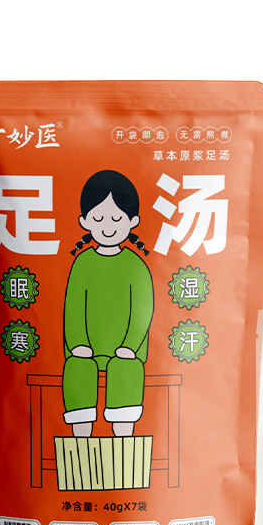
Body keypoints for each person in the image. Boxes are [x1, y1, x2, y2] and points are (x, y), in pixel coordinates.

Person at [62, 170, 154, 437]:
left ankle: (124, 443)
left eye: (116, 218)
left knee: (126, 368)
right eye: (98, 218)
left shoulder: (136, 265)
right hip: (84, 348)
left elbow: (142, 311)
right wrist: (77, 343)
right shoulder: (82, 263)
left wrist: (130, 346)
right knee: (78, 367)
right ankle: (80, 443)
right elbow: (73, 309)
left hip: (128, 350)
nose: (108, 226)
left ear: (132, 221)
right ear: (84, 221)